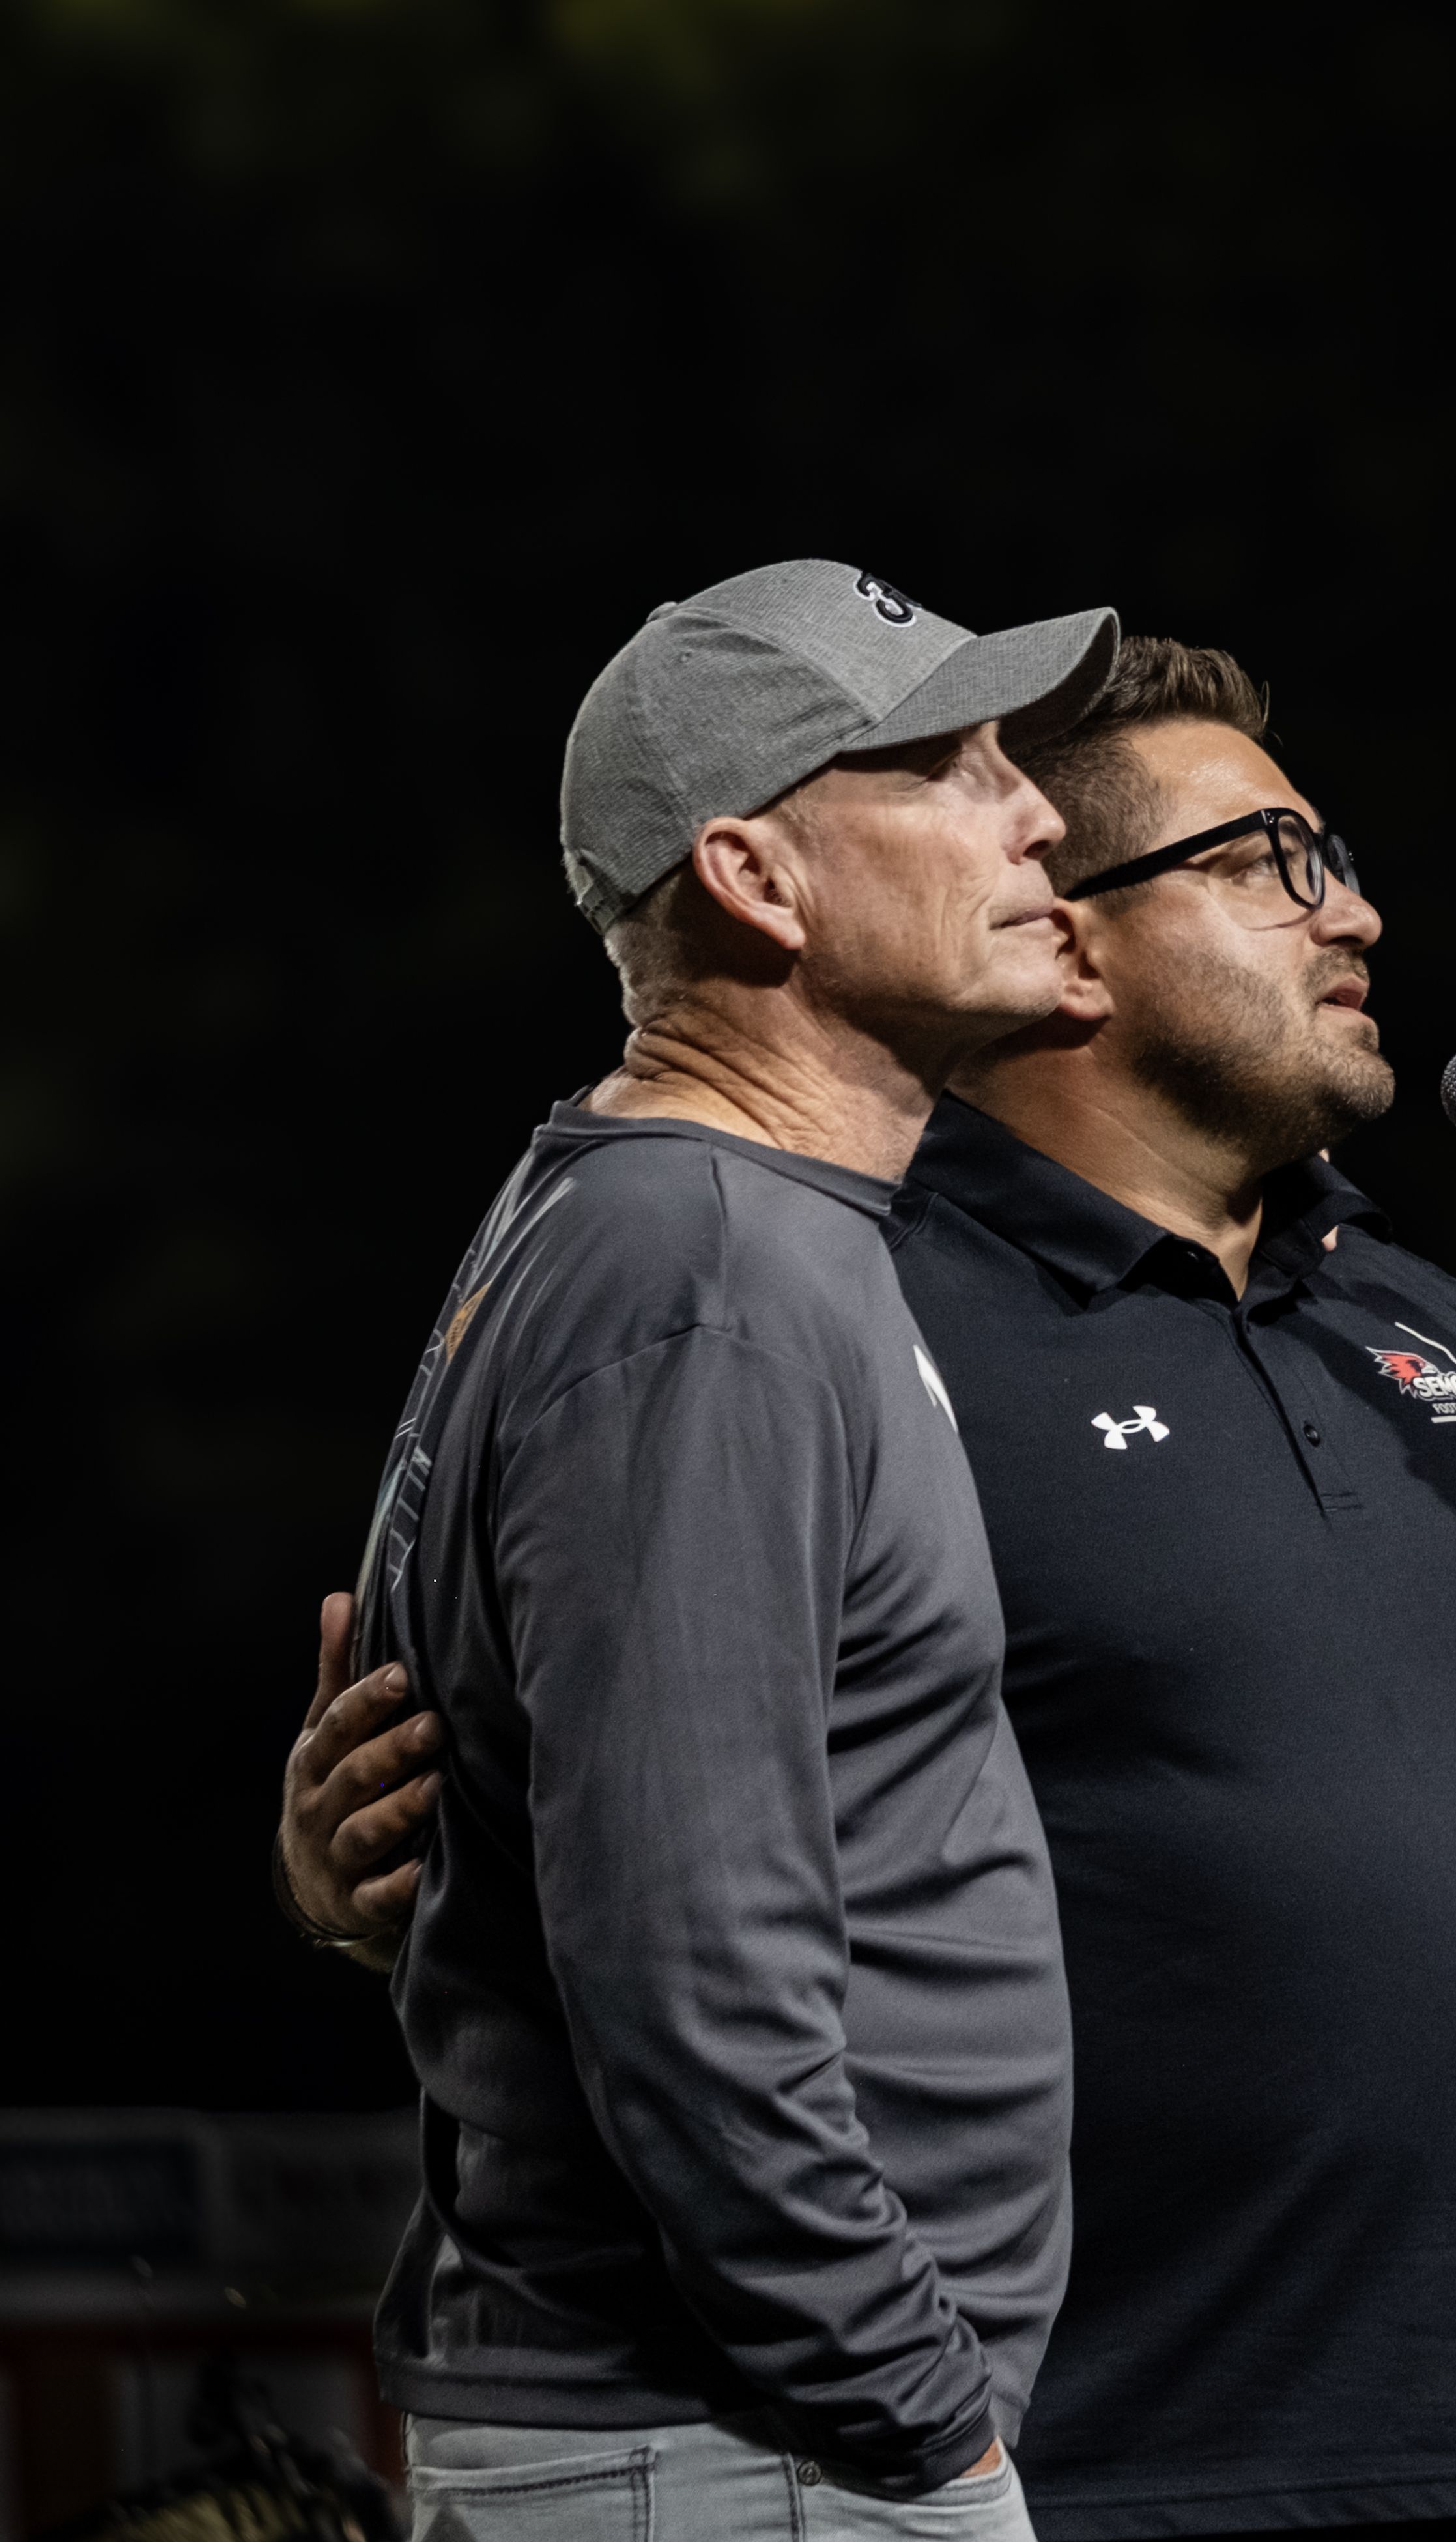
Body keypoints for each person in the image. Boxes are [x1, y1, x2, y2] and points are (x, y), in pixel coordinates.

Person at [282, 638, 1456, 2542]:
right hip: (1046, 2449)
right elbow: (618, 1867)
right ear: (1067, 934)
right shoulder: (838, 1306)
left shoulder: (1421, 1334)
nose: (1352, 905)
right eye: (1270, 856)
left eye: (1333, 850)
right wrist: (376, 1878)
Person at [276, 558, 1119, 2537]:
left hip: (721, 2438)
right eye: (948, 769)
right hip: (752, 2451)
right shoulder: (710, 1274)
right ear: (755, 876)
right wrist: (924, 2422)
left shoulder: (684, 1227)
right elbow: (684, 1969)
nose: (1042, 817)